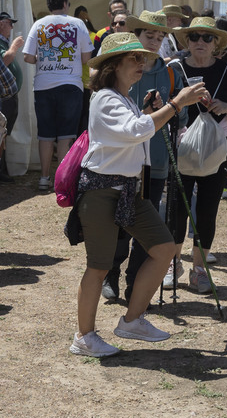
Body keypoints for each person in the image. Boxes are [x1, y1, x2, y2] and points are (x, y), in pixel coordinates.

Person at [68, 33, 206, 357]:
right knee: (98, 267)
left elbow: (136, 130)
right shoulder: (105, 98)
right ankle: (84, 337)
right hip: (102, 191)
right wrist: (175, 104)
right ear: (114, 64)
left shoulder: (123, 97)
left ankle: (132, 320)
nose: (142, 63)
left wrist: (151, 111)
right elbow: (135, 132)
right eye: (134, 58)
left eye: (142, 58)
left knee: (165, 248)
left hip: (127, 190)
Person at [102, 11, 184, 304]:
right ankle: (110, 273)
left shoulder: (170, 71)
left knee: (146, 225)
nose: (155, 41)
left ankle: (134, 282)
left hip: (157, 161)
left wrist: (169, 108)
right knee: (120, 221)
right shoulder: (122, 68)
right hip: (125, 162)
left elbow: (180, 115)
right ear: (136, 35)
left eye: (160, 36)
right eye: (149, 35)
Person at [167, 17, 227, 293]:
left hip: (216, 148)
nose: (200, 42)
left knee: (208, 209)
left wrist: (224, 106)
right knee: (177, 209)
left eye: (207, 38)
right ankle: (173, 264)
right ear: (186, 42)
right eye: (194, 37)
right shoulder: (174, 68)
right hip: (181, 146)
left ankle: (199, 270)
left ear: (216, 44)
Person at [23, 0, 92, 192]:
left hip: (43, 85)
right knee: (65, 135)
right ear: (64, 3)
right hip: (71, 84)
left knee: (45, 134)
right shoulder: (78, 24)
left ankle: (44, 177)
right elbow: (87, 58)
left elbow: (27, 56)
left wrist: (41, 61)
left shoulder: (38, 24)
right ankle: (60, 180)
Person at [0, 12, 24, 184]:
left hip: (8, 94)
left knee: (2, 133)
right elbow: (3, 60)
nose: (12, 27)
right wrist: (15, 47)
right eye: (10, 23)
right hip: (1, 95)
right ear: (1, 24)